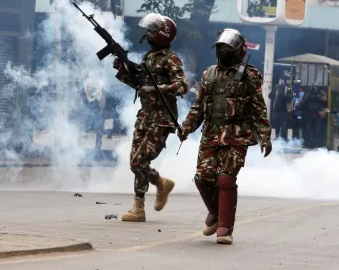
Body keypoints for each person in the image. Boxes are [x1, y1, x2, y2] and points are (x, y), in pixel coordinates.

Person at [178, 28, 272, 245]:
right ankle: (216, 212)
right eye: (220, 48)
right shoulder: (208, 74)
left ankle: (225, 228)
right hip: (211, 134)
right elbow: (198, 107)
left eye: (228, 48)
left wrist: (265, 136)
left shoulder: (249, 75)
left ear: (239, 51)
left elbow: (258, 108)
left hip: (237, 135)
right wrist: (186, 128)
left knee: (225, 178)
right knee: (203, 177)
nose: (223, 52)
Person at [113, 13, 188, 222]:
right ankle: (151, 194)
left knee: (139, 161)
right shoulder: (148, 58)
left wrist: (160, 89)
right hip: (145, 117)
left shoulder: (170, 59)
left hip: (161, 119)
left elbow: (182, 85)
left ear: (162, 35)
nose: (148, 34)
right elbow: (141, 87)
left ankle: (149, 197)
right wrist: (123, 72)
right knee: (134, 162)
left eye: (152, 31)